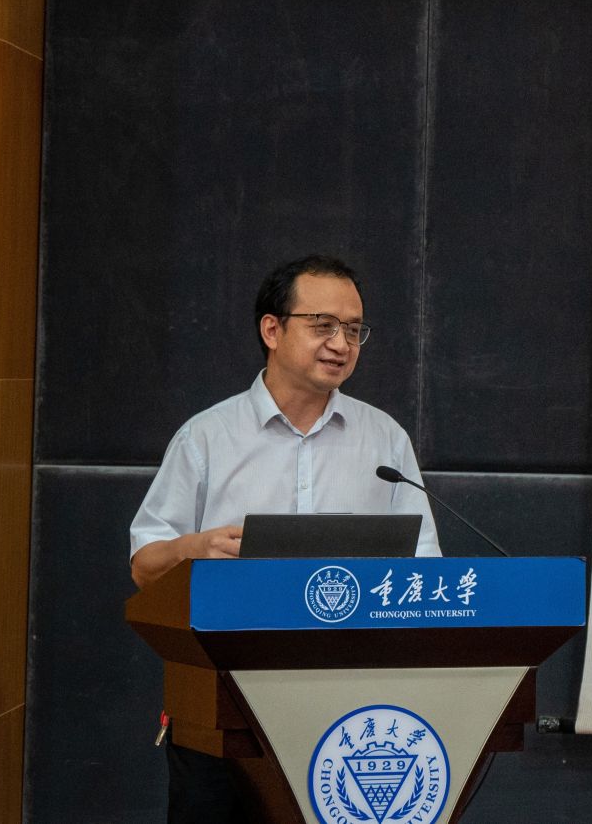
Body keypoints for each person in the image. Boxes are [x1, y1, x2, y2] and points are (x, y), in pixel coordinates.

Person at [128, 253, 441, 821]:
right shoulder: (207, 437)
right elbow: (144, 565)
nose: (341, 344)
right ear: (272, 330)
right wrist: (193, 549)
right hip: (223, 708)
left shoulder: (385, 441)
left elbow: (424, 570)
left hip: (346, 714)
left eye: (354, 330)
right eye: (323, 325)